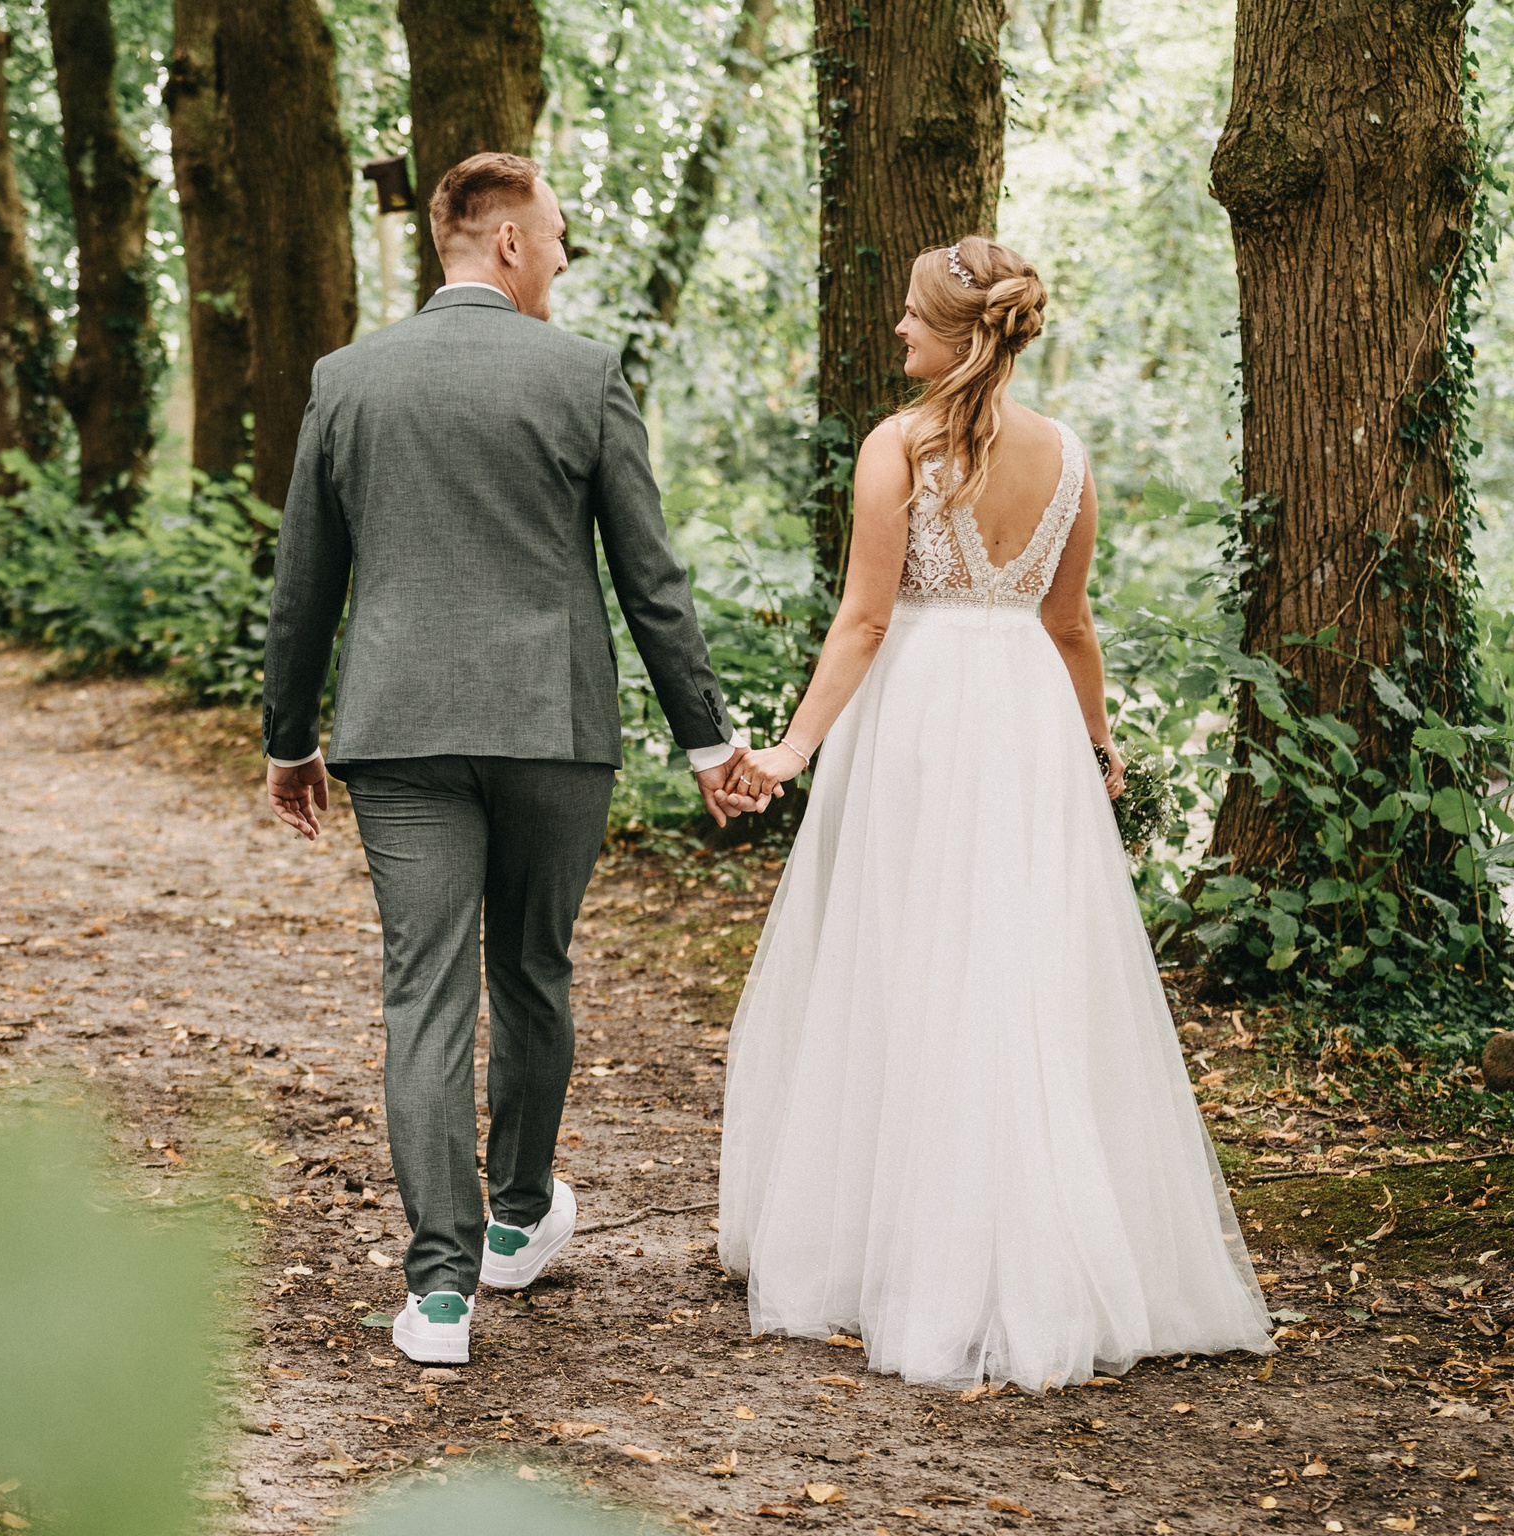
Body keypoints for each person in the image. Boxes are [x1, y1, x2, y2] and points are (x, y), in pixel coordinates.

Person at [716, 235, 1275, 1391]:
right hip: (1021, 719)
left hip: (921, 714)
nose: (897, 335)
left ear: (960, 331)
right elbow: (1069, 626)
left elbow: (864, 619)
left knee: (910, 956)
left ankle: (900, 1248)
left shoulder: (898, 445)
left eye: (912, 319)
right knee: (1015, 967)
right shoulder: (1067, 455)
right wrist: (1095, 743)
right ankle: (1033, 1246)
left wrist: (791, 746)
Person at [260, 152, 760, 1367]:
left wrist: (289, 739)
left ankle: (438, 1297)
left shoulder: (347, 380)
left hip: (401, 733)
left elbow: (302, 584)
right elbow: (650, 579)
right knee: (532, 967)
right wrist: (706, 737)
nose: (563, 257)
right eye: (555, 236)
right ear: (503, 244)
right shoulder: (584, 375)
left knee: (422, 988)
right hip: (553, 730)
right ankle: (516, 1216)